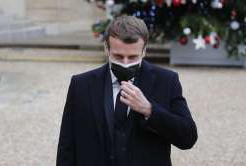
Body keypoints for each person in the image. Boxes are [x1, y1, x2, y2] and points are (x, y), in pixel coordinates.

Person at [56, 15, 197, 166]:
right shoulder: (81, 84)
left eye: (132, 57)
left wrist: (149, 110)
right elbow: (67, 145)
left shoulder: (167, 81)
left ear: (144, 51)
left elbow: (188, 137)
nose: (125, 63)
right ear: (106, 48)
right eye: (118, 56)